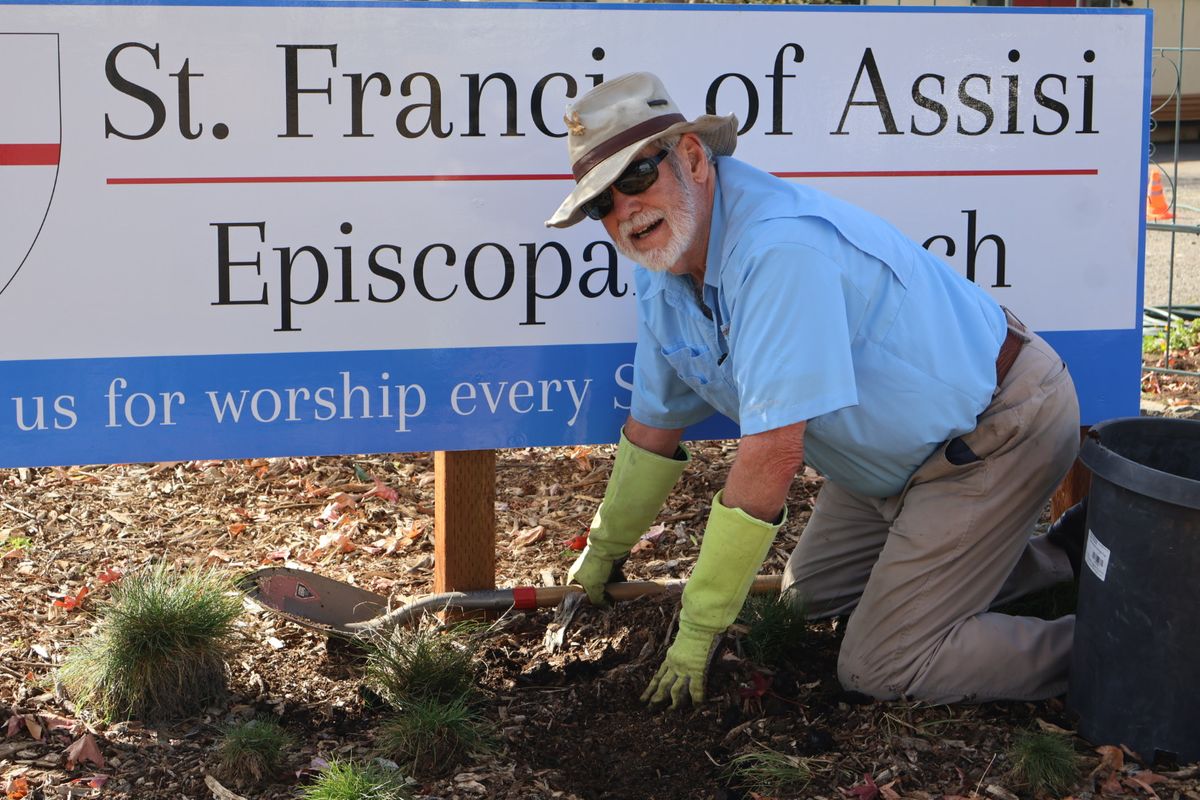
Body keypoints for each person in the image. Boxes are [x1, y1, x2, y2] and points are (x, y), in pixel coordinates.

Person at [544, 72, 1087, 709]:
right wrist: (604, 552)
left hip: (994, 433)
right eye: (601, 203)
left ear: (692, 157)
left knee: (883, 666)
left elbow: (773, 453)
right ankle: (1061, 562)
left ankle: (1118, 646)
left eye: (635, 177)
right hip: (891, 467)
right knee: (810, 601)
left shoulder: (778, 250)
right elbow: (654, 430)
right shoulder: (666, 268)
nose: (624, 211)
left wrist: (699, 630)